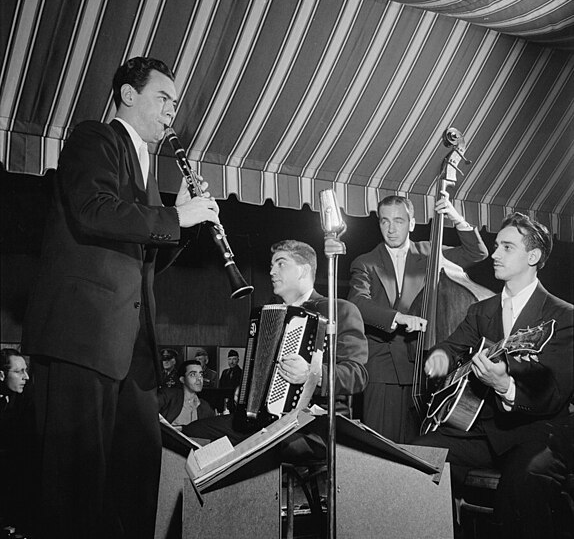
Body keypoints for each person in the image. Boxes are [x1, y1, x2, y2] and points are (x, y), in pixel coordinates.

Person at [21, 56, 220, 539]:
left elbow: (146, 264)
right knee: (74, 491)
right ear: (128, 95)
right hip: (83, 338)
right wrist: (176, 220)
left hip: (130, 351)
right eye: (163, 98)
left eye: (175, 103)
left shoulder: (148, 172)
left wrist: (184, 223)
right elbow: (93, 211)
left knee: (135, 483)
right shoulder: (94, 139)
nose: (172, 112)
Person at [413, 212, 573, 539]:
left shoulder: (562, 316)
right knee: (412, 459)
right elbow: (450, 347)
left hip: (539, 432)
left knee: (523, 485)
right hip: (482, 429)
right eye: (496, 245)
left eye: (506, 247)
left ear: (533, 256)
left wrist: (504, 384)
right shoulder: (481, 310)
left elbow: (555, 390)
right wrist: (439, 361)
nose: (495, 254)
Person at [184, 240, 368, 461]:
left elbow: (358, 375)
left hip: (313, 423)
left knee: (270, 446)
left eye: (281, 264)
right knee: (194, 432)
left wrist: (312, 374)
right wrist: (245, 392)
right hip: (264, 421)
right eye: (271, 265)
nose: (271, 271)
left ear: (303, 270)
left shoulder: (340, 310)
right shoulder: (269, 314)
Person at [347, 193, 488, 442]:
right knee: (382, 452)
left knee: (422, 451)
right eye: (384, 221)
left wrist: (456, 218)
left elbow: (476, 253)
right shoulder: (365, 262)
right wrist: (398, 317)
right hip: (384, 370)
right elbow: (358, 302)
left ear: (412, 223)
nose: (391, 229)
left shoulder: (431, 252)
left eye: (399, 221)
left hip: (426, 368)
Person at [0, 349, 37, 536]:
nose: (26, 377)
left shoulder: (26, 404)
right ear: (1, 375)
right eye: (18, 371)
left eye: (26, 370)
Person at [158, 359, 215, 427]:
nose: (199, 379)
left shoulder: (205, 407)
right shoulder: (168, 396)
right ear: (182, 379)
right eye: (193, 374)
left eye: (201, 374)